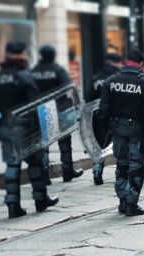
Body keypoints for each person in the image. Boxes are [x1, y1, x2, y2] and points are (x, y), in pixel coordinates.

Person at [0, 41, 58, 218]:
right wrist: (41, 127)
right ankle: (41, 200)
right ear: (19, 56)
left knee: (12, 164)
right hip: (26, 127)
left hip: (5, 126)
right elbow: (36, 104)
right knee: (35, 163)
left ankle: (13, 205)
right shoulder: (24, 77)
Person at [98, 49, 144, 216]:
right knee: (136, 165)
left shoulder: (111, 81)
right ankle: (131, 203)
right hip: (137, 129)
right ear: (141, 63)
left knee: (122, 164)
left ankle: (122, 200)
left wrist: (104, 134)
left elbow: (102, 111)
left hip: (117, 129)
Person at [30, 44, 84, 184]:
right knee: (64, 141)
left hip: (40, 110)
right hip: (59, 108)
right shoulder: (57, 70)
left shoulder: (33, 71)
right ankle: (67, 171)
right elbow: (67, 87)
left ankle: (44, 174)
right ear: (53, 55)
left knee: (43, 143)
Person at [88, 53, 123, 185]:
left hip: (97, 116)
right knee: (120, 143)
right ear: (117, 63)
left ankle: (97, 170)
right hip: (116, 116)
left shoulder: (96, 78)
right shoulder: (119, 77)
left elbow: (88, 98)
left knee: (99, 144)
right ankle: (120, 172)